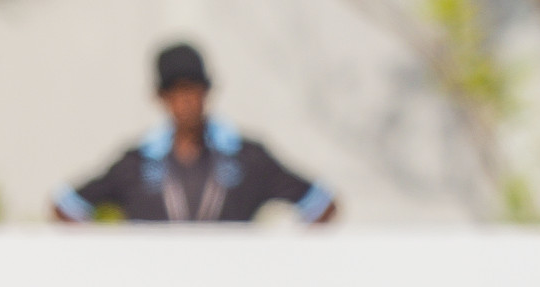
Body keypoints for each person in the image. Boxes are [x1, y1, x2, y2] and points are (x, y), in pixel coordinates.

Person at [53, 42, 338, 224]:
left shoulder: (247, 157)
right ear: (159, 97)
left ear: (208, 91)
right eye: (175, 91)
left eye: (193, 88)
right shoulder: (137, 163)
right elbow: (66, 205)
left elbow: (321, 203)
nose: (186, 100)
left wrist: (294, 264)